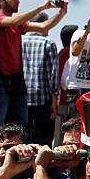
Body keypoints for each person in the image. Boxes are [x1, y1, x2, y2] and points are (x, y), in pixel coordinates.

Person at [0, 0, 67, 179]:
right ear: (1, 0)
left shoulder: (17, 25)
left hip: (17, 82)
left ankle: (20, 171)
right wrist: (43, 5)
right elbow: (15, 20)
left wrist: (61, 13)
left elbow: (44, 27)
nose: (17, 1)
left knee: (21, 131)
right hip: (0, 82)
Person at [22, 12, 60, 146]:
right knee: (43, 139)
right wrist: (55, 98)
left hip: (20, 98)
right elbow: (53, 73)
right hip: (43, 98)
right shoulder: (48, 43)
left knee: (22, 137)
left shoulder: (20, 41)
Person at [66, 14, 90, 117]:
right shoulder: (80, 33)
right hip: (77, 87)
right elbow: (75, 51)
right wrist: (88, 31)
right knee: (74, 124)